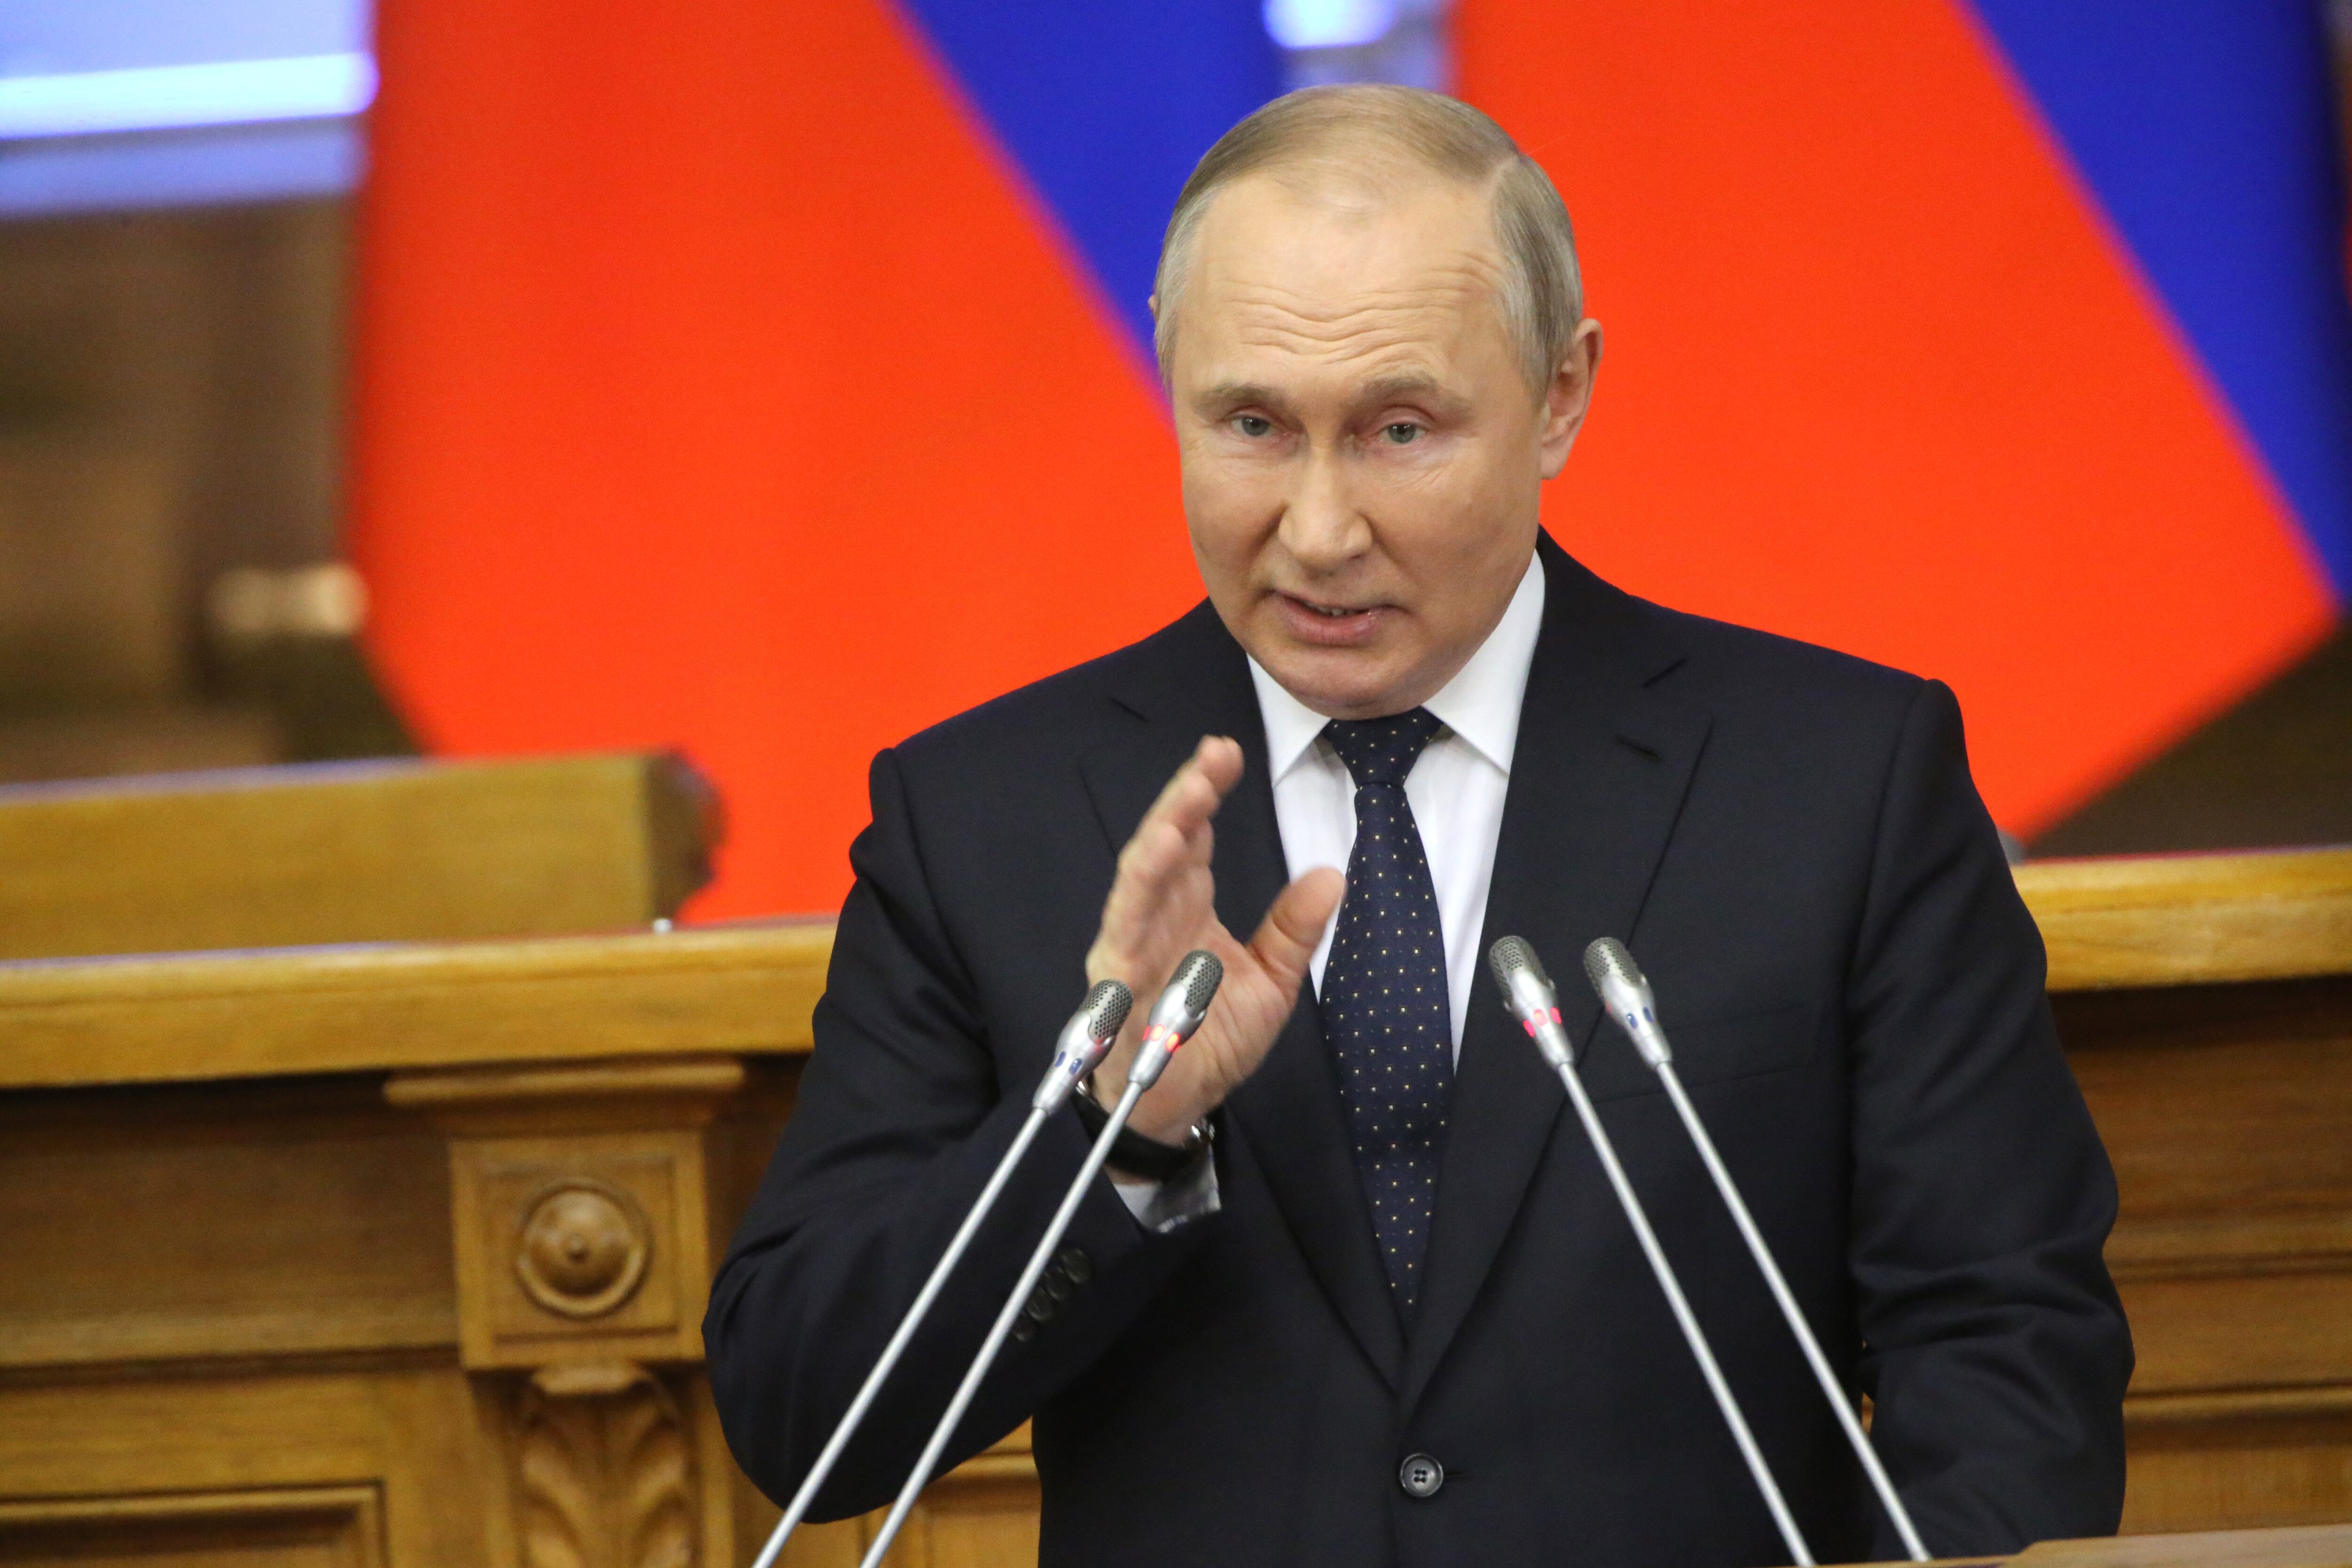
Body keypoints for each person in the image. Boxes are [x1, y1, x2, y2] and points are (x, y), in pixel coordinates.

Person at [705, 84, 2131, 1568]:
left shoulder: (1840, 779)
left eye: (1399, 429)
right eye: (1253, 425)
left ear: (1562, 393)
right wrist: (1115, 1131)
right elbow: (804, 1411)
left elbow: (2005, 1343)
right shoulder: (982, 813)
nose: (1319, 531)